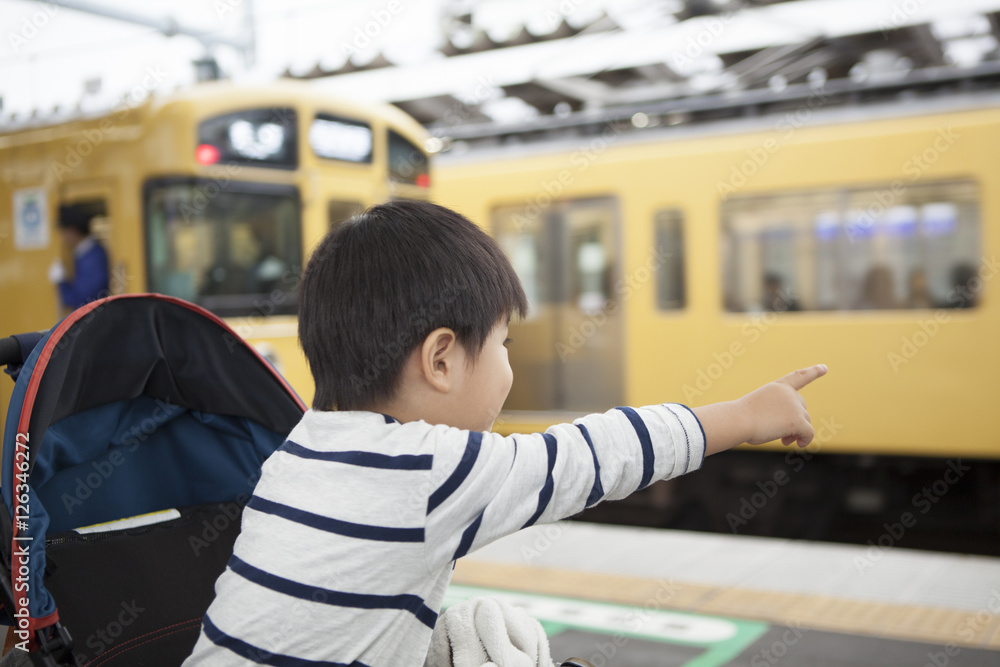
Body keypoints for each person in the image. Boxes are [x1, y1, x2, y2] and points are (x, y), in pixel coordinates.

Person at [183, 200, 827, 666]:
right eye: (503, 344)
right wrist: (742, 416)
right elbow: (592, 457)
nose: (509, 366)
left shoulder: (296, 451)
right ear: (441, 361)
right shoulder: (427, 471)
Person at [47, 207, 110, 309]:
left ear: (73, 231)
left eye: (64, 232)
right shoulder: (87, 254)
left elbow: (80, 300)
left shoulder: (92, 257)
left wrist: (61, 282)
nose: (63, 237)